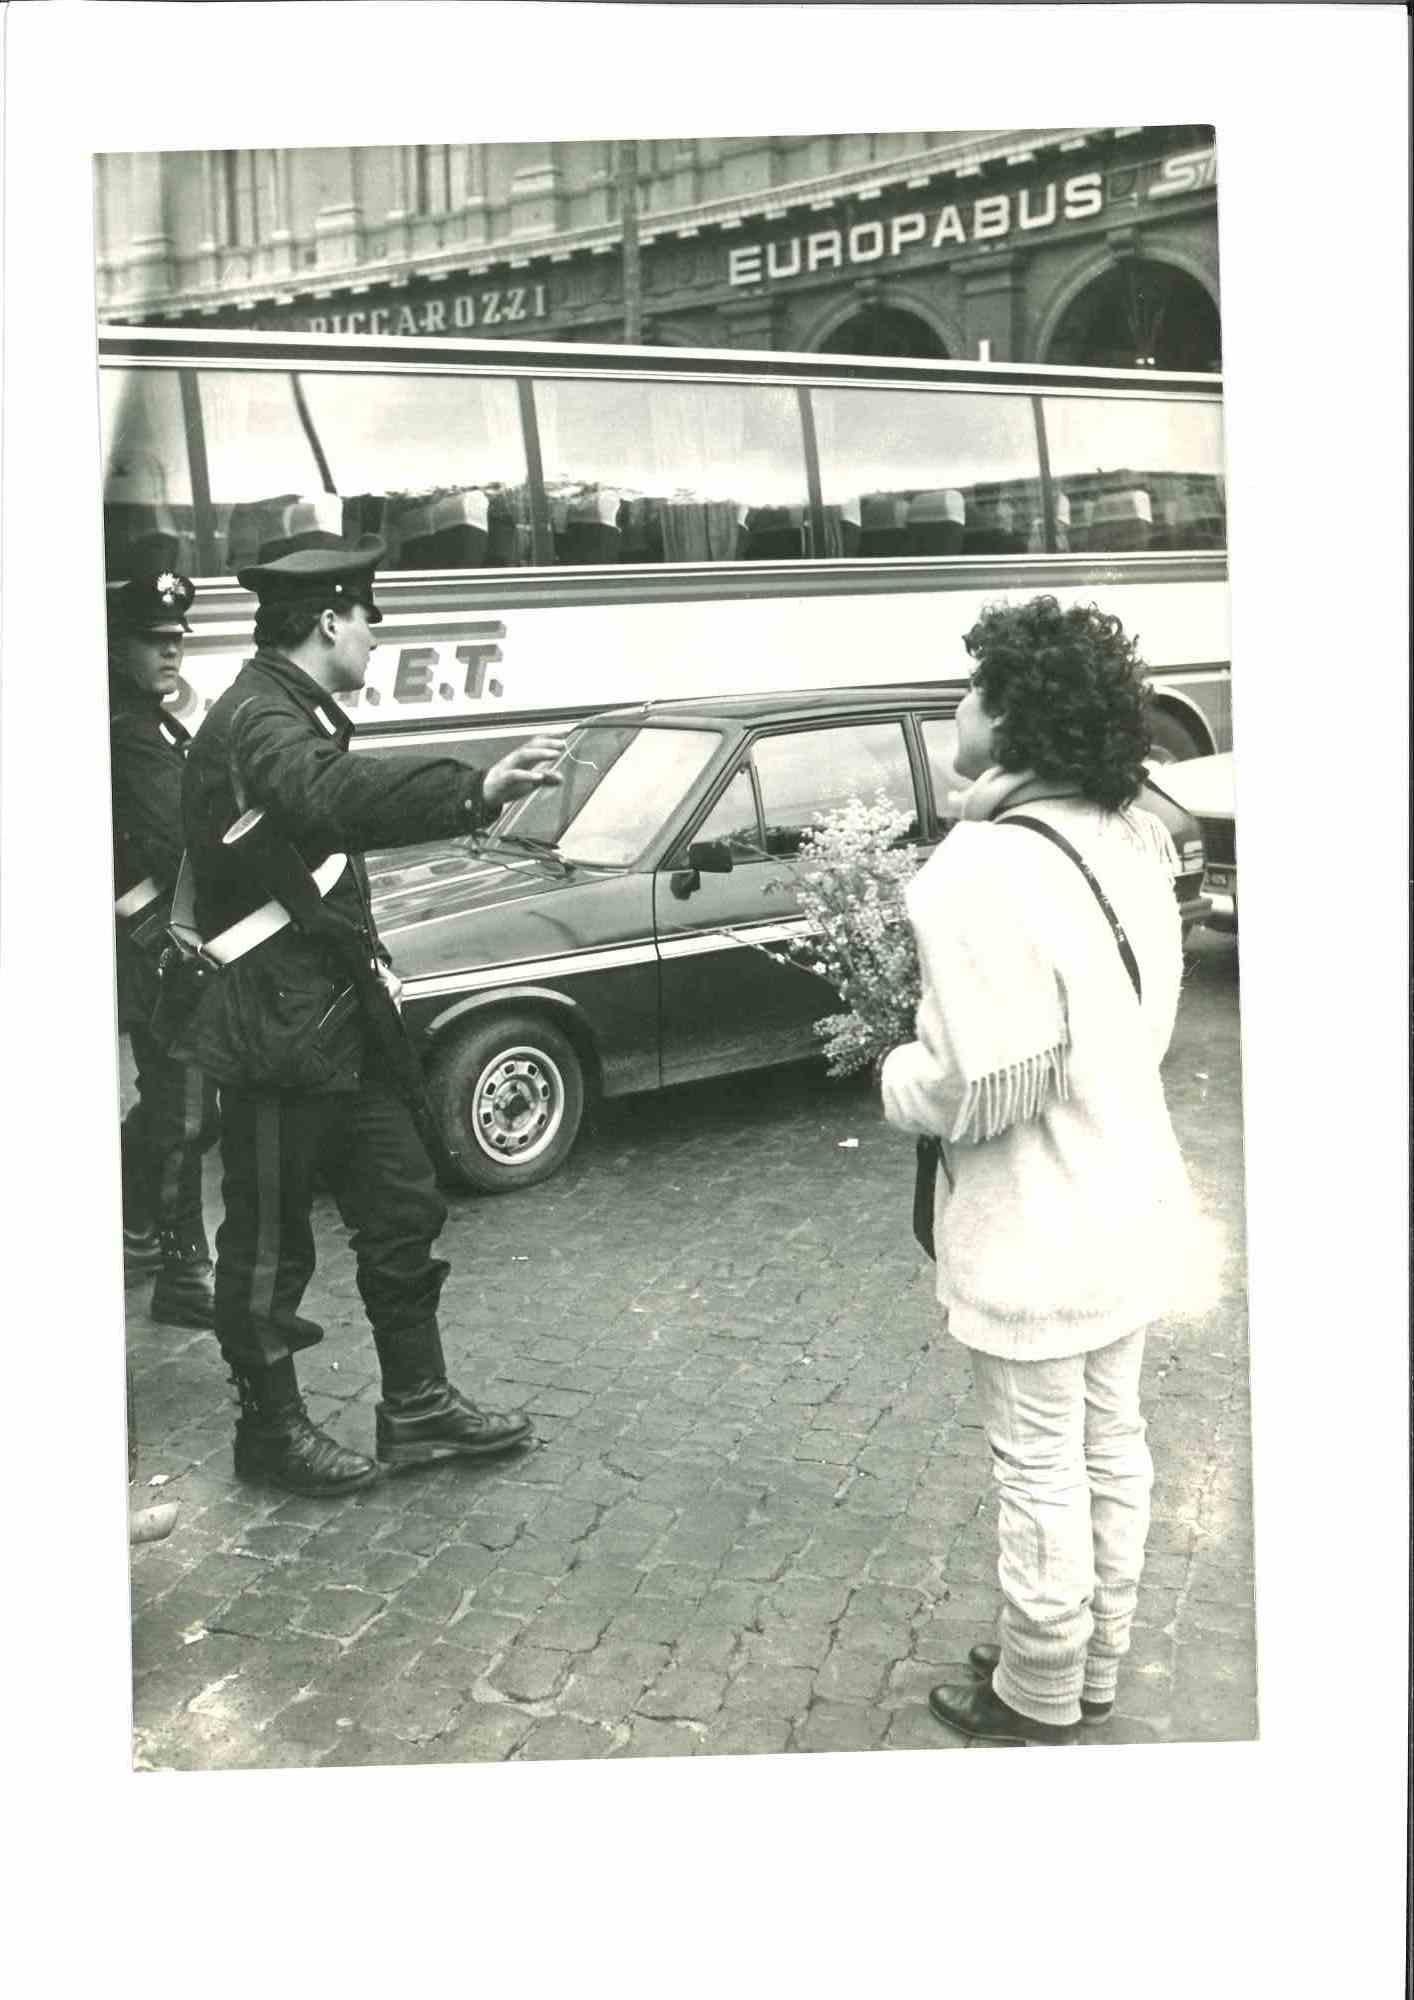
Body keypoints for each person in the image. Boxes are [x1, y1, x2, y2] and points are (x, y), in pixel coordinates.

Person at [881, 595, 1212, 1745]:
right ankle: (1096, 1658)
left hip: (1037, 1216)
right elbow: (1135, 1023)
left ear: (1012, 715)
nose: (955, 708)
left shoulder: (972, 869)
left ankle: (1034, 1686)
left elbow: (981, 1083)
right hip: (1131, 1191)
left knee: (1036, 1459)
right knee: (1110, 1437)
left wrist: (892, 1073)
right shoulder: (1130, 829)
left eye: (972, 690)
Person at [177, 533, 566, 1497]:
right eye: (365, 625)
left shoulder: (287, 707)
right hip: (274, 1029)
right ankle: (268, 1432)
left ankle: (419, 1407)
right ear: (328, 621)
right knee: (269, 1244)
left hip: (336, 1020)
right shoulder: (262, 720)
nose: (371, 645)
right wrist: (471, 787)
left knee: (400, 1205)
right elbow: (329, 792)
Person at [108, 563, 220, 1324]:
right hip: (150, 946)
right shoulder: (127, 732)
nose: (170, 651)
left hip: (158, 944)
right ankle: (182, 1276)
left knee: (178, 1105)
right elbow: (173, 842)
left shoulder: (150, 723)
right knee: (183, 1110)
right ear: (115, 645)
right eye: (153, 641)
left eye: (177, 638)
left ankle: (134, 1227)